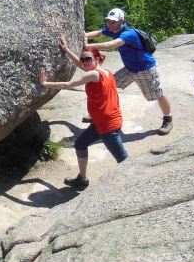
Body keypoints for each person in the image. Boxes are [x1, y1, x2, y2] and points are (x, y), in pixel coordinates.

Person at [39, 38, 128, 191]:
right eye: (83, 59)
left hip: (108, 125)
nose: (84, 62)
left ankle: (137, 183)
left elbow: (67, 85)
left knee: (124, 160)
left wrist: (45, 84)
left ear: (97, 59)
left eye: (88, 59)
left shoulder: (93, 75)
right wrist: (66, 50)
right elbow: (82, 66)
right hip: (102, 122)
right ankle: (82, 179)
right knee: (80, 144)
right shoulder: (105, 72)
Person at [85, 8, 173, 135]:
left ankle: (168, 119)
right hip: (129, 68)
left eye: (113, 22)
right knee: (106, 85)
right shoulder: (113, 29)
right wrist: (84, 35)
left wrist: (87, 46)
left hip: (145, 69)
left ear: (122, 21)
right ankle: (97, 114)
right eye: (108, 21)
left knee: (157, 94)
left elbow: (111, 45)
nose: (110, 24)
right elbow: (99, 33)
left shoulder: (129, 33)